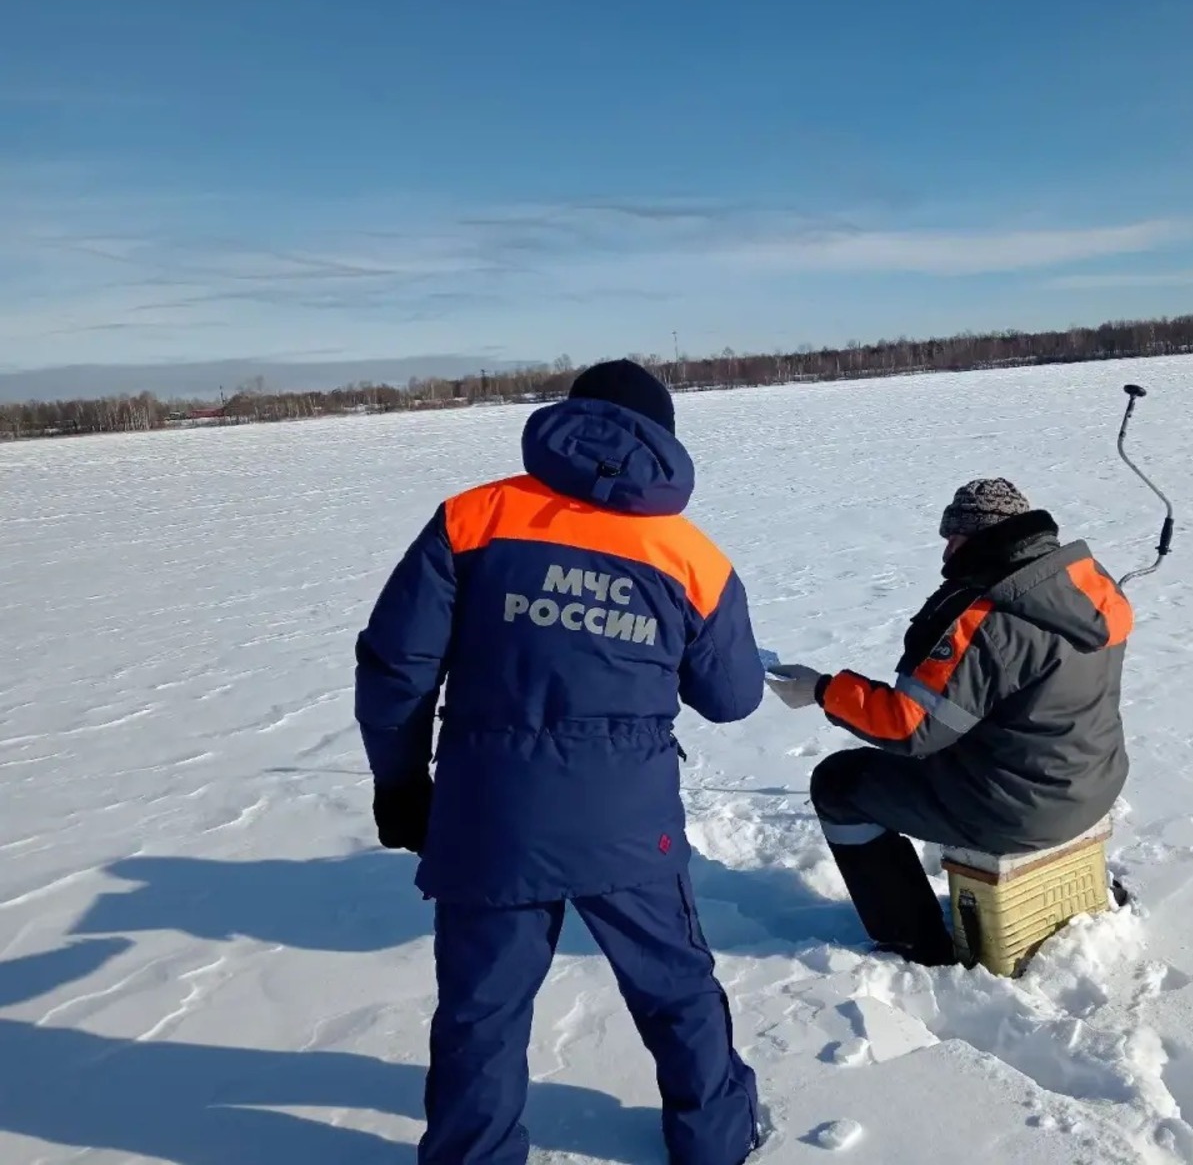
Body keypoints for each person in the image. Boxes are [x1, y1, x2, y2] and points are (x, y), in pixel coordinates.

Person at [353, 359, 766, 1165]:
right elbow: (733, 696)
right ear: (662, 440)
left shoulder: (472, 518)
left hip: (490, 817)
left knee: (482, 1011)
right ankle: (715, 1140)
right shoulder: (689, 555)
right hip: (627, 822)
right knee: (675, 988)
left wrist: (399, 782)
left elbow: (397, 667)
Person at [764, 478, 1133, 967]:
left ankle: (913, 940)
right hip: (1094, 784)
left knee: (839, 783)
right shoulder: (1090, 587)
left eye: (953, 536)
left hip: (1017, 810)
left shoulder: (989, 619)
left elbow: (908, 726)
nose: (946, 550)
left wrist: (820, 690)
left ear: (979, 536)